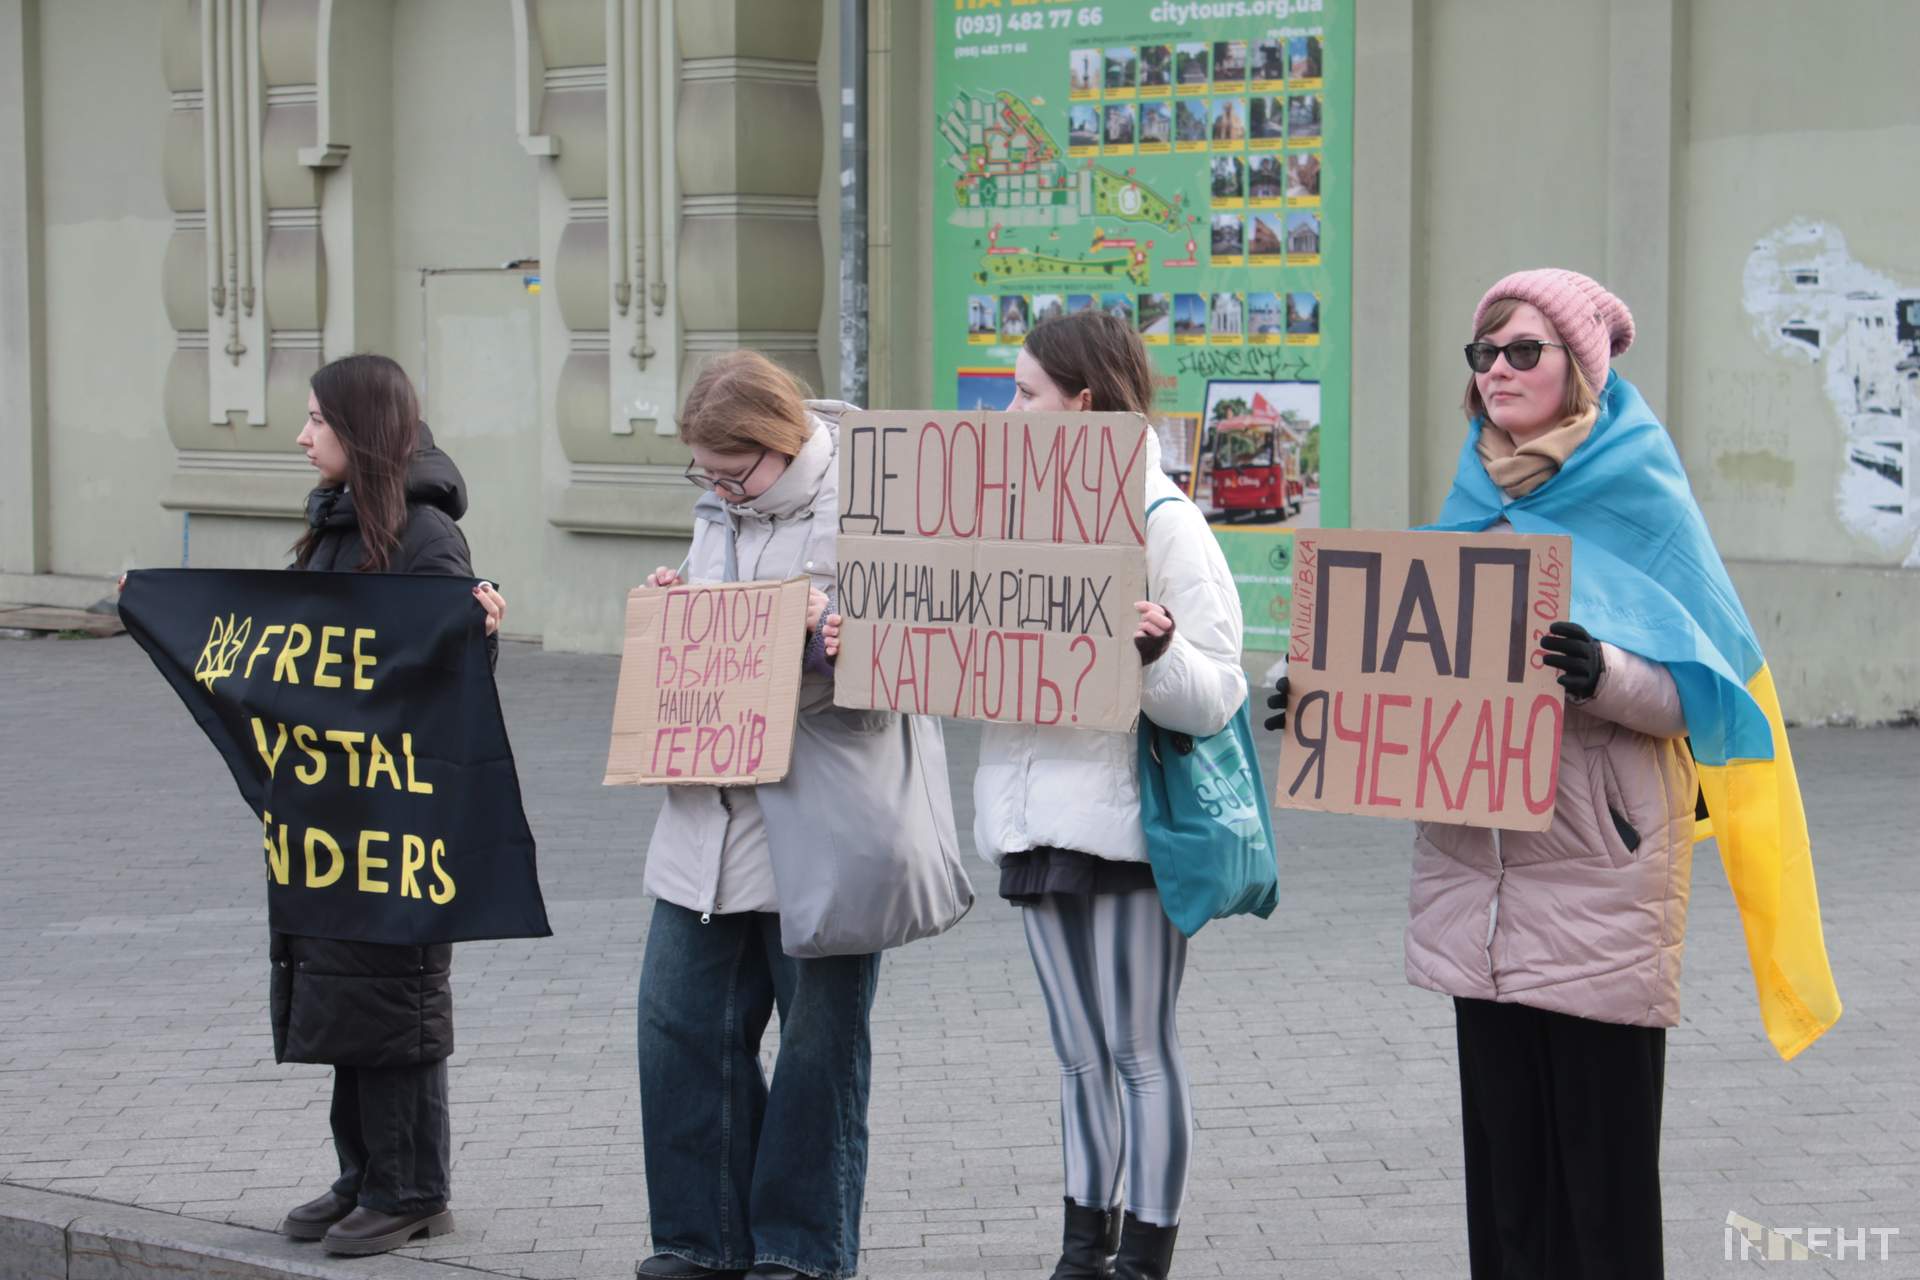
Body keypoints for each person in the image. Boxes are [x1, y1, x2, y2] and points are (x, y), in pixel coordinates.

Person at [1266, 269, 1843, 1278]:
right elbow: (1419, 665)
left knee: (1603, 1184)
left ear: (1580, 365)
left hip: (1594, 876)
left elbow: (1700, 693)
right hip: (1476, 881)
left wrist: (1603, 670)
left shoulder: (1642, 488)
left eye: (1522, 349)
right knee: (1507, 1182)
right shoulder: (1471, 494)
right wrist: (1318, 692)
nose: (1497, 370)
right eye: (1483, 353)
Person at [635, 350, 933, 1280]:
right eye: (705, 475)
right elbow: (717, 636)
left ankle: (801, 1254)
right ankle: (698, 1240)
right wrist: (676, 615)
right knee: (678, 1029)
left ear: (777, 443)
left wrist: (836, 644)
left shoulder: (873, 504)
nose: (717, 489)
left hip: (821, 823)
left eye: (731, 471)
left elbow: (905, 674)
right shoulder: (719, 511)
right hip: (707, 821)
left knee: (817, 1053)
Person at [967, 311, 1247, 1280]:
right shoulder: (1003, 516)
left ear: (1082, 404)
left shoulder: (1170, 523)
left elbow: (1217, 689)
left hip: (1130, 828)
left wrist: (1158, 650)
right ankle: (1081, 1248)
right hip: (1035, 819)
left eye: (1026, 393)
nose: (1009, 411)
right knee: (1079, 1053)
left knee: (1138, 1048)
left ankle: (1145, 1254)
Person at [274, 354, 504, 1254]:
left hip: (397, 813)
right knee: (340, 991)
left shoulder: (425, 536)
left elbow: (451, 677)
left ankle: (412, 1185)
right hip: (333, 810)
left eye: (317, 422)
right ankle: (365, 1172)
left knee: (394, 992)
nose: (302, 437)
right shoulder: (341, 524)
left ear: (360, 430)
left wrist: (476, 634)